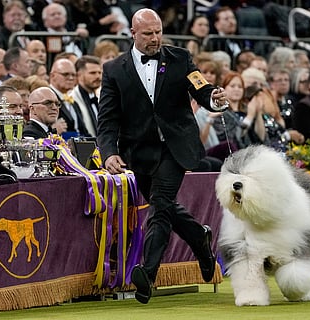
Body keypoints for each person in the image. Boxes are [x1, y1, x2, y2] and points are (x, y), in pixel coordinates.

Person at [97, 8, 227, 304]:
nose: (155, 38)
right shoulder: (114, 69)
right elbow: (107, 120)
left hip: (176, 147)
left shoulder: (180, 57)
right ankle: (199, 237)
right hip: (139, 152)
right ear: (132, 34)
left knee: (160, 204)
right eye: (148, 33)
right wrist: (108, 153)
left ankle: (147, 272)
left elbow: (202, 89)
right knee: (164, 206)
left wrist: (214, 100)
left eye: (158, 32)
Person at [49, 58, 89, 137]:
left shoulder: (74, 103)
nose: (71, 78)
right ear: (52, 76)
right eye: (65, 74)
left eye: (73, 75)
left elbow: (83, 131)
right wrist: (52, 130)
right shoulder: (45, 98)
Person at [71, 55, 101, 138]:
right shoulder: (72, 98)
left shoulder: (99, 96)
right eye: (92, 73)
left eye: (99, 72)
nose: (98, 76)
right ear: (79, 75)